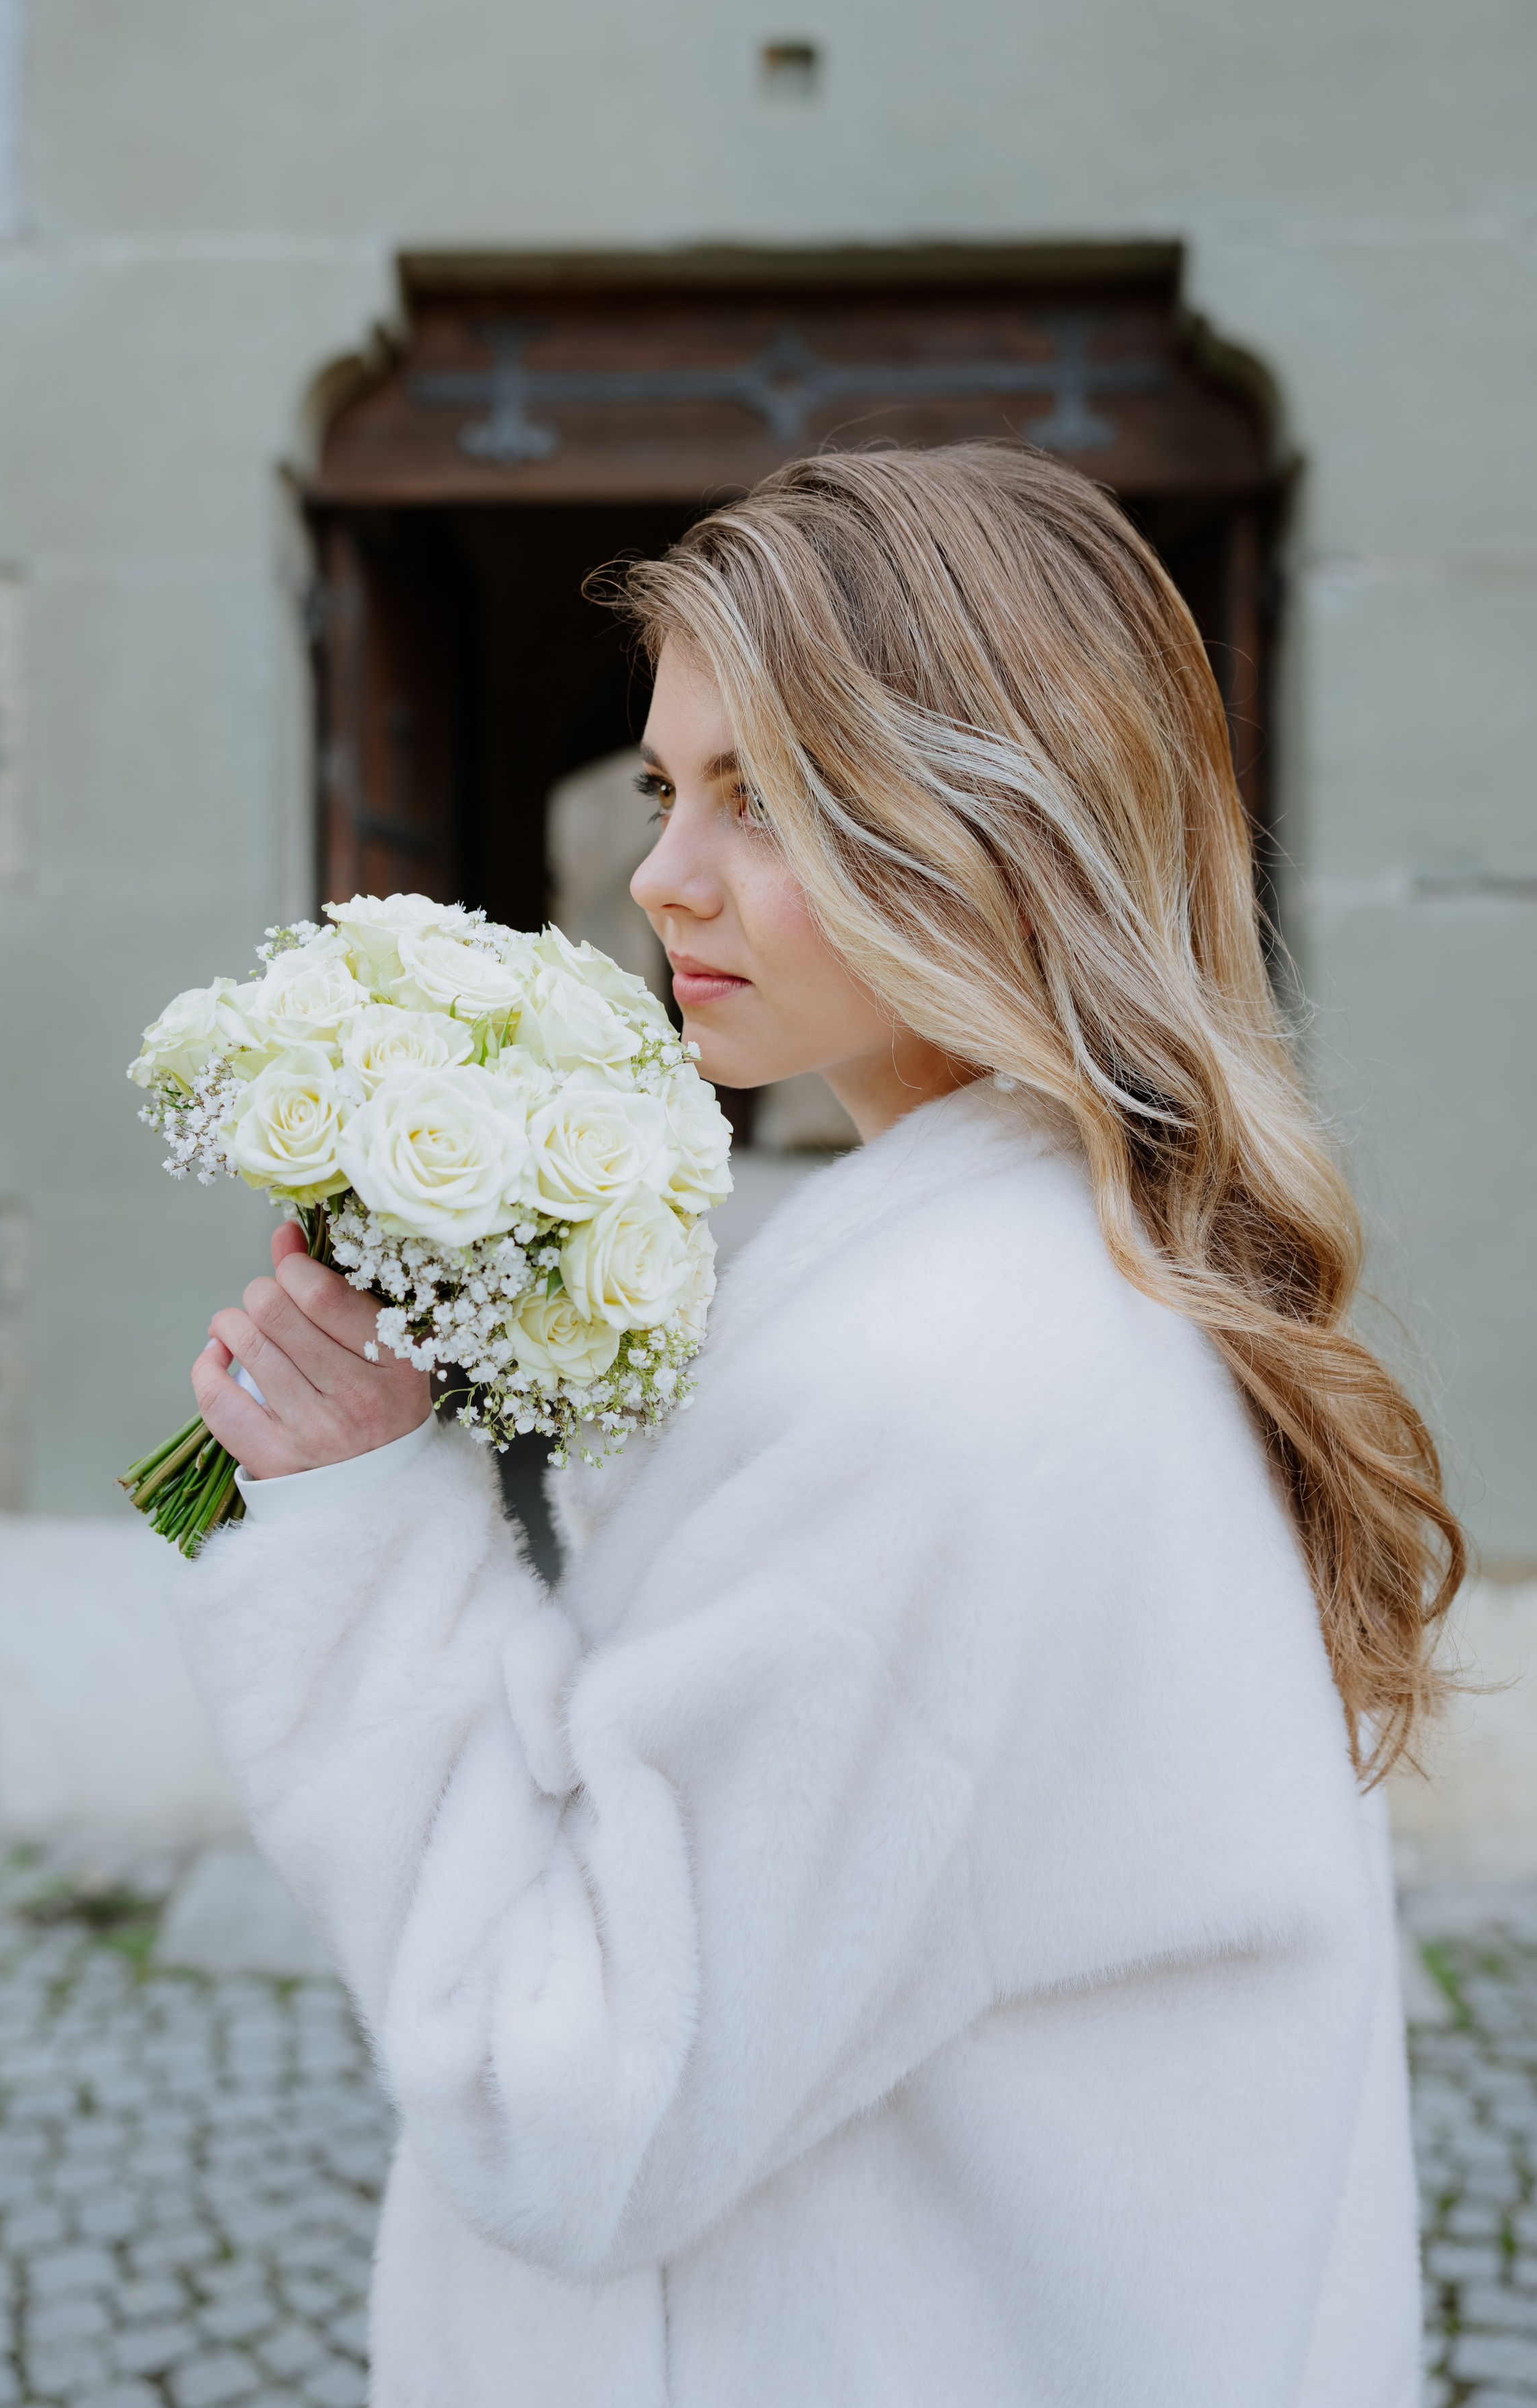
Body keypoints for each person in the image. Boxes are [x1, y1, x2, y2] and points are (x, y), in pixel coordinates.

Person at [173, 444, 1461, 2407]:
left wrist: (358, 1532)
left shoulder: (936, 1387)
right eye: (666, 788)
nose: (665, 875)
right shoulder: (1075, 1288)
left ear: (992, 833)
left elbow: (576, 2090)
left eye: (766, 799)